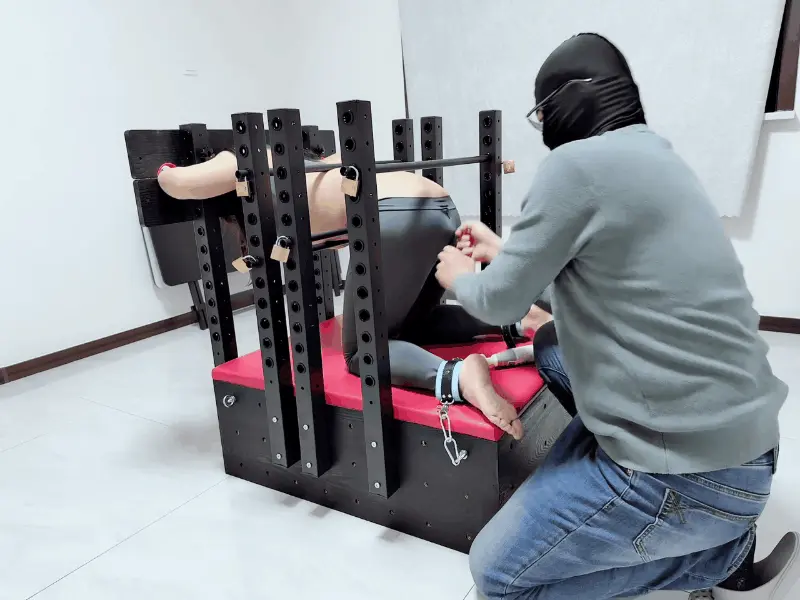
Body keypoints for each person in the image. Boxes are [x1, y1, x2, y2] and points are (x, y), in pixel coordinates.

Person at [436, 33, 798, 600]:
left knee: (497, 577)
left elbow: (500, 302)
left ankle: (718, 557)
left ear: (566, 101)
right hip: (751, 448)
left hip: (695, 477)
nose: (544, 128)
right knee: (552, 344)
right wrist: (505, 252)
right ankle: (669, 505)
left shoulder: (573, 166)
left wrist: (459, 276)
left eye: (541, 114)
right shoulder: (658, 157)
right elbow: (608, 282)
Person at [158, 147, 539, 439]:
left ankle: (458, 377)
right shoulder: (317, 166)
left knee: (362, 352)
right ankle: (519, 319)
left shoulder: (241, 158)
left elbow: (177, 184)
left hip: (394, 214)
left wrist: (162, 168)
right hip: (439, 207)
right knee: (412, 324)